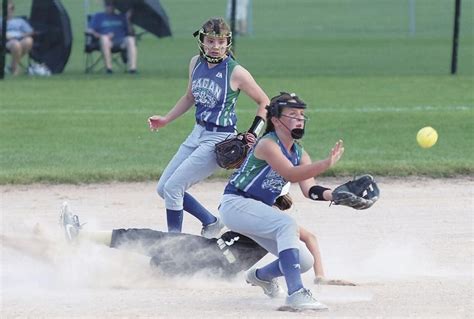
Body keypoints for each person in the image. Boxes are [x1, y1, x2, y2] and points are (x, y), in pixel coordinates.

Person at [219, 92, 345, 311]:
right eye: (293, 114)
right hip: (236, 204)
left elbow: (310, 189)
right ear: (276, 120)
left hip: (256, 210)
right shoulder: (268, 144)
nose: (299, 119)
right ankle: (296, 294)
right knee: (286, 224)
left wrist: (338, 195)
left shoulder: (299, 153)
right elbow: (292, 174)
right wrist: (325, 163)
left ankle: (260, 276)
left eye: (302, 115)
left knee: (304, 261)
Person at [148, 17, 269, 239]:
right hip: (197, 133)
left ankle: (173, 245)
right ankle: (211, 222)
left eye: (221, 42)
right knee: (163, 188)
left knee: (174, 188)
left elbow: (265, 102)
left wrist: (253, 133)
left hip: (220, 139)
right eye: (211, 41)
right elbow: (189, 97)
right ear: (202, 41)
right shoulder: (195, 63)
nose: (216, 47)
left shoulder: (235, 71)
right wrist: (166, 119)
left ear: (228, 43)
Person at [88, 0, 137, 74]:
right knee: (104, 39)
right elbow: (89, 30)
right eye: (108, 5)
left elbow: (131, 32)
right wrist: (101, 35)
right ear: (104, 6)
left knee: (131, 39)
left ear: (115, 6)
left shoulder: (121, 16)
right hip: (106, 42)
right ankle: (109, 69)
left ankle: (132, 68)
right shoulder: (98, 16)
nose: (110, 7)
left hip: (121, 42)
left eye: (112, 5)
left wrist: (128, 20)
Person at [0, 1, 34, 76]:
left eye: (10, 9)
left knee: (29, 40)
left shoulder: (20, 21)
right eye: (5, 9)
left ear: (12, 10)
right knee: (16, 44)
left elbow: (30, 32)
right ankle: (15, 69)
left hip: (19, 39)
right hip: (5, 41)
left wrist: (22, 35)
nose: (8, 11)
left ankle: (11, 66)